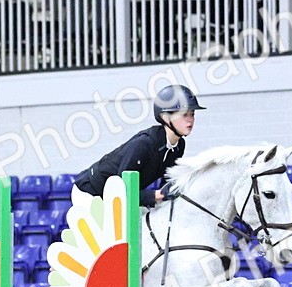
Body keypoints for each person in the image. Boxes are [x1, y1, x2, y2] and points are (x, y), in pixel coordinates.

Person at [74, 84, 205, 206]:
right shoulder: (144, 143)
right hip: (90, 192)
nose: (190, 119)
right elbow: (121, 189)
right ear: (165, 118)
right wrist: (156, 195)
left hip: (119, 197)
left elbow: (167, 181)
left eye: (192, 114)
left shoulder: (179, 145)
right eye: (184, 115)